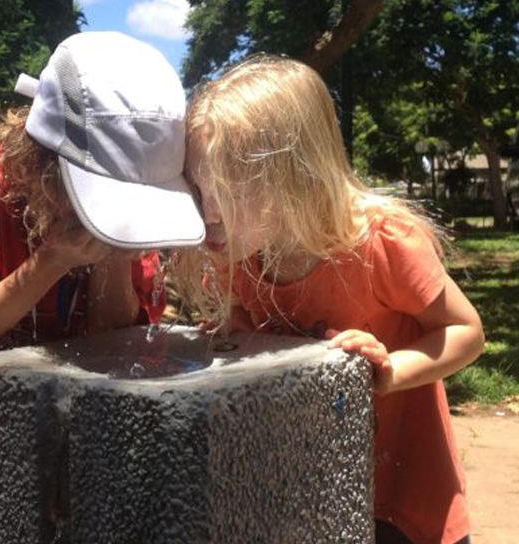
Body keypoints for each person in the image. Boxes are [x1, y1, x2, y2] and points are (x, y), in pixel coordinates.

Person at [181, 55, 484, 544]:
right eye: (197, 188)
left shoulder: (381, 243)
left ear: (293, 177)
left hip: (403, 489)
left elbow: (467, 333)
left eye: (230, 192)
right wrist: (229, 339)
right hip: (311, 481)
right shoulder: (242, 258)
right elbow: (244, 328)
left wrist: (390, 371)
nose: (209, 213)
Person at [0, 31, 204, 544]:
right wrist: (52, 260)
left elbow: (114, 340)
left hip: (67, 468)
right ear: (43, 163)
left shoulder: (123, 213)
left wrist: (113, 250)